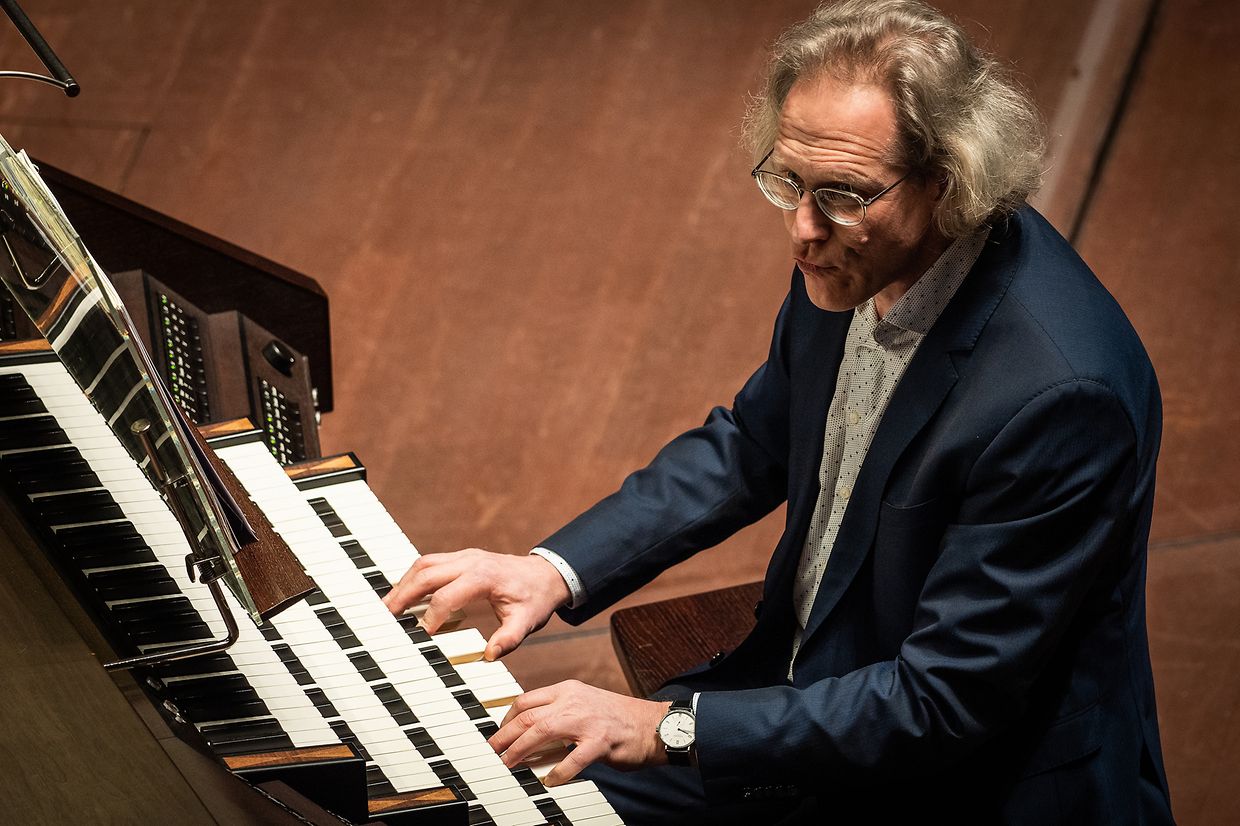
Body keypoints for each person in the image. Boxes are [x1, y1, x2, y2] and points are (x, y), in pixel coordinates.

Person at [384, 1, 1175, 822]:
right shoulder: (851, 255)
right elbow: (753, 442)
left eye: (838, 194)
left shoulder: (1058, 399)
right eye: (788, 182)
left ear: (948, 183)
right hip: (811, 697)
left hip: (956, 784)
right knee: (481, 798)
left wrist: (669, 729)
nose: (800, 230)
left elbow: (942, 703)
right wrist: (549, 569)